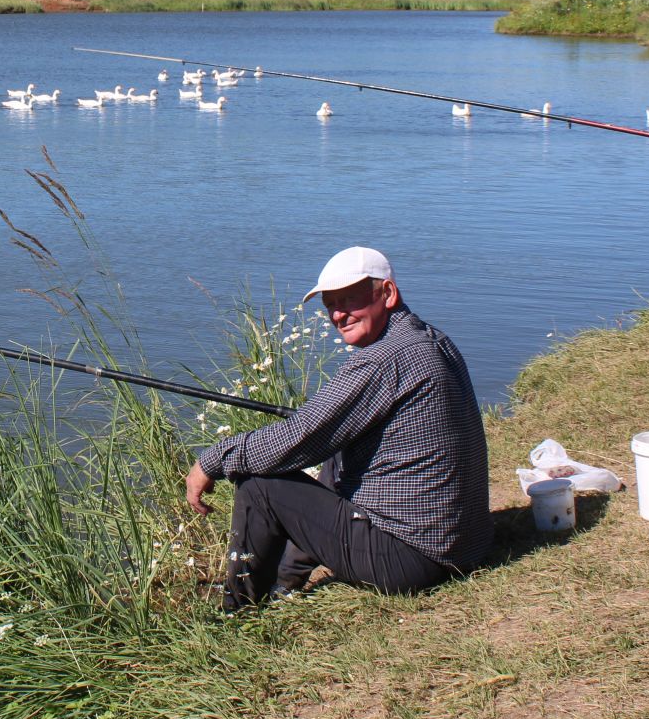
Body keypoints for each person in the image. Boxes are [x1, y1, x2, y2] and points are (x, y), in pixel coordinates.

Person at [185, 246, 491, 611]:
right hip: (464, 544)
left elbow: (299, 437)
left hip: (413, 558)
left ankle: (237, 612)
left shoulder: (383, 359)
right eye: (330, 304)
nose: (339, 314)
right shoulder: (433, 340)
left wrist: (212, 461)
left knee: (259, 486)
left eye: (350, 300)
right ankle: (286, 582)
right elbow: (324, 437)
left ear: (388, 294)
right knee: (341, 453)